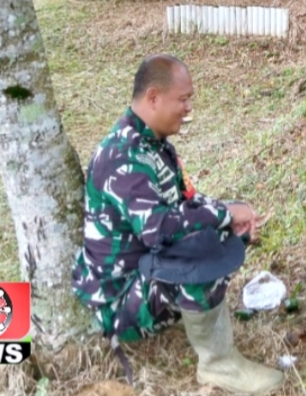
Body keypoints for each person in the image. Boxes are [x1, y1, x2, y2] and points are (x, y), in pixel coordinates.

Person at [71, 55, 283, 394]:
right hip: (119, 300)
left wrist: (226, 216)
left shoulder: (153, 144)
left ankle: (205, 328)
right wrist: (223, 214)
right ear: (153, 97)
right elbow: (159, 229)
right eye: (183, 99)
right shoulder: (123, 155)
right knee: (197, 253)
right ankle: (219, 366)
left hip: (144, 271)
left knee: (216, 236)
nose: (188, 108)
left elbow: (185, 203)